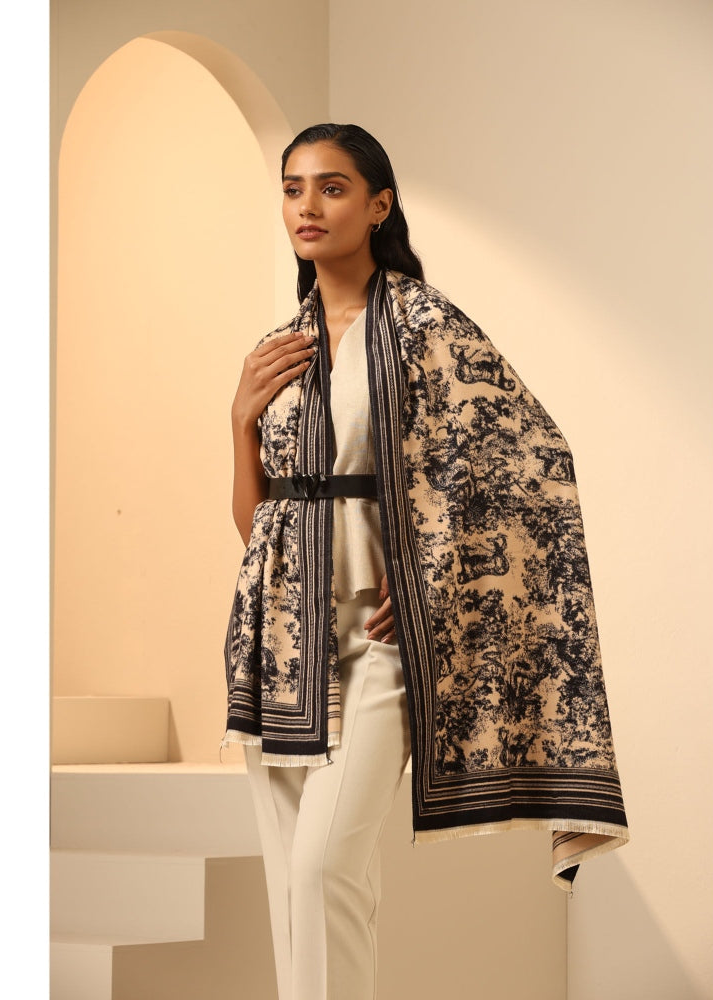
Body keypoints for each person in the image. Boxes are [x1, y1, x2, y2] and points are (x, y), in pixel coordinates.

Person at [224, 124, 628, 1000]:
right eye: (293, 188)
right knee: (298, 883)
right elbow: (258, 524)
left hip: (386, 643)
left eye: (332, 187)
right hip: (280, 643)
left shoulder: (425, 325)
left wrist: (426, 583)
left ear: (379, 205)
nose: (307, 205)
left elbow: (532, 462)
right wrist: (239, 422)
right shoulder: (281, 346)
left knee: (323, 868)